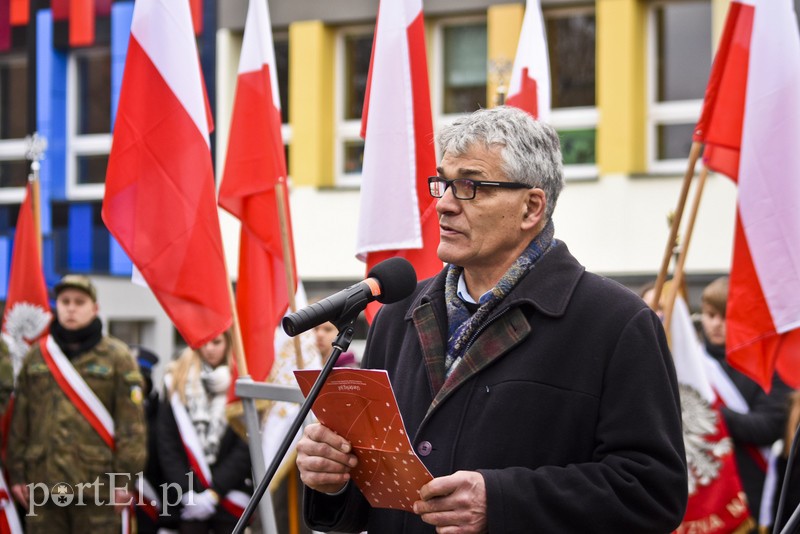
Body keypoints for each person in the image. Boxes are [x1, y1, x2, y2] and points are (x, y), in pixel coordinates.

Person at [296, 106, 688, 533]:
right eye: (443, 183)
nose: (443, 205)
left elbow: (652, 492)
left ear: (530, 208)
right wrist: (331, 478)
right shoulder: (398, 315)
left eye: (469, 186)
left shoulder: (615, 323)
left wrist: (502, 502)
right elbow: (368, 503)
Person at [7, 274, 146, 533]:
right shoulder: (37, 356)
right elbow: (21, 421)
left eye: (79, 302)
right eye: (65, 301)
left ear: (95, 309)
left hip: (97, 488)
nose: (71, 308)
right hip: (44, 483)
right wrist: (17, 475)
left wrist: (125, 481)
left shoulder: (117, 357)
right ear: (56, 306)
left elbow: (132, 429)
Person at [700, 276, 792, 527]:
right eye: (710, 315)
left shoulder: (767, 365)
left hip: (747, 488)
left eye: (725, 316)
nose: (716, 324)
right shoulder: (691, 365)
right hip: (700, 493)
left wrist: (707, 412)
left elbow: (768, 426)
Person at [157, 331, 252, 534]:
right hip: (185, 497)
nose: (209, 349)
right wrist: (186, 492)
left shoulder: (243, 381)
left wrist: (215, 491)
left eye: (216, 342)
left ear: (228, 343)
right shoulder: (175, 382)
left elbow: (245, 444)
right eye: (204, 343)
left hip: (230, 494)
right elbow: (167, 444)